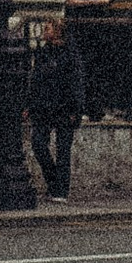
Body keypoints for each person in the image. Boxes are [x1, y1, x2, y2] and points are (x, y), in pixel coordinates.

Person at [23, 12, 87, 198]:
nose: (44, 30)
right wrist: (29, 104)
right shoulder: (43, 53)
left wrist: (76, 109)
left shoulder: (70, 55)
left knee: (63, 150)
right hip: (43, 106)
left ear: (58, 32)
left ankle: (61, 191)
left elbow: (76, 82)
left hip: (64, 108)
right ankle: (53, 181)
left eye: (48, 28)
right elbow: (35, 81)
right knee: (38, 145)